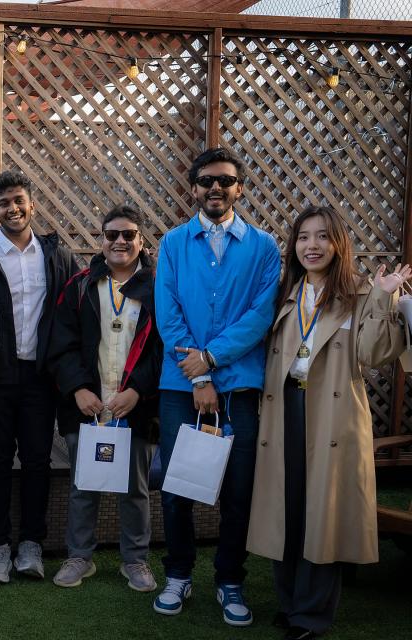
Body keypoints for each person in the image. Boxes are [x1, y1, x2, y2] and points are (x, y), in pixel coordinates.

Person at [247, 206, 410, 640]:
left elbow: (375, 354)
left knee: (322, 515)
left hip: (331, 420)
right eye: (303, 237)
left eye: (322, 237)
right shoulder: (284, 292)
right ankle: (289, 603)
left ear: (339, 244)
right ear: (294, 244)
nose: (312, 246)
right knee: (288, 510)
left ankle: (312, 615)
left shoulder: (357, 294)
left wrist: (385, 296)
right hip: (284, 412)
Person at [153, 148, 281, 626]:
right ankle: (179, 573)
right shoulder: (172, 244)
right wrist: (200, 373)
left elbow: (260, 317)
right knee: (176, 486)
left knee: (238, 490)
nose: (215, 188)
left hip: (241, 386)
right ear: (193, 188)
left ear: (239, 188)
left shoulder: (264, 247)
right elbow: (168, 313)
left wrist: (212, 359)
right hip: (180, 385)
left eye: (225, 181)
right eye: (206, 180)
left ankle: (230, 580)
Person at [46, 205, 162, 591]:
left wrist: (138, 390)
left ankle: (136, 561)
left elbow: (162, 349)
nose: (120, 242)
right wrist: (78, 388)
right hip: (89, 408)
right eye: (112, 234)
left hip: (135, 407)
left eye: (128, 235)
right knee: (84, 487)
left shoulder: (160, 289)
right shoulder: (79, 286)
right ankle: (79, 557)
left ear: (141, 241)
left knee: (136, 490)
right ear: (101, 240)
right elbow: (61, 345)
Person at [0, 170, 77, 582]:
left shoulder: (55, 254)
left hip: (40, 377)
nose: (12, 208)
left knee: (37, 459)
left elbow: (68, 314)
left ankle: (31, 543)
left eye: (19, 200)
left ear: (31, 204)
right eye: (4, 203)